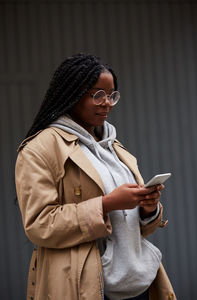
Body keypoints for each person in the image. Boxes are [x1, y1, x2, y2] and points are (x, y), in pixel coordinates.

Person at [15, 53, 176, 300]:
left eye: (112, 95)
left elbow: (131, 226)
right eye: (97, 94)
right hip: (85, 286)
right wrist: (107, 204)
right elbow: (39, 225)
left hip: (138, 283)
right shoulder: (39, 149)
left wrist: (147, 209)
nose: (107, 103)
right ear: (72, 93)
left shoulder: (113, 146)